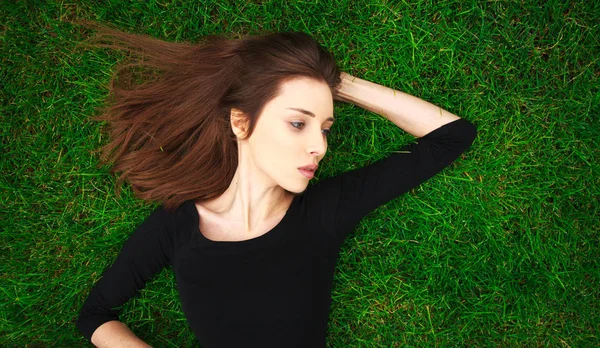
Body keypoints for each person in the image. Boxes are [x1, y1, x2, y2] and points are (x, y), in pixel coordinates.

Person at [74, 20, 477, 348]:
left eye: (325, 128)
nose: (319, 145)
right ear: (241, 122)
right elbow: (95, 316)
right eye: (298, 123)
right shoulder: (177, 226)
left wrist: (335, 83)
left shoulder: (323, 212)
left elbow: (452, 136)